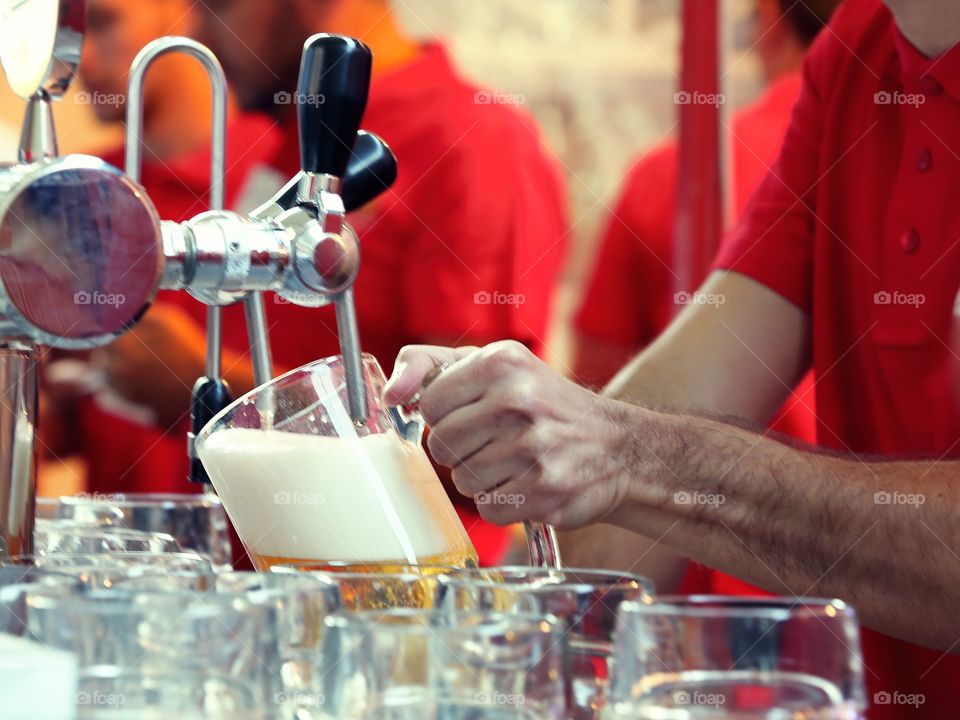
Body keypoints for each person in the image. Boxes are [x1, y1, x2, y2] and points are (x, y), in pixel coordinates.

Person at [384, 0, 960, 716]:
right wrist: (427, 647)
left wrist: (628, 455)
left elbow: (631, 445)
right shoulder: (857, 52)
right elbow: (647, 440)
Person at [86, 0, 570, 566]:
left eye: (219, 7)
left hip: (391, 599)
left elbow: (485, 451)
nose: (197, 30)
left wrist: (217, 401)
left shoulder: (473, 144)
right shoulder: (284, 139)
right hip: (261, 587)